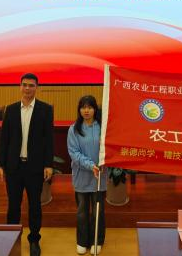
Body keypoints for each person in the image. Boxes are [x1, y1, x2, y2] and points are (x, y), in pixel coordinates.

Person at [0, 73, 54, 256]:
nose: (27, 88)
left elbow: (49, 140)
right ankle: (12, 239)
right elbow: (4, 139)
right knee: (13, 205)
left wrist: (48, 164)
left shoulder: (45, 110)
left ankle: (34, 239)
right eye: (24, 85)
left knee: (35, 205)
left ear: (37, 88)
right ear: (20, 87)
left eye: (31, 85)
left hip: (34, 167)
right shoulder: (11, 110)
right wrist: (0, 165)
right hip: (14, 167)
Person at [67, 95, 107, 255]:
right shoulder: (73, 129)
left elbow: (108, 149)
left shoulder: (103, 127)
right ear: (79, 110)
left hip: (100, 176)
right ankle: (82, 241)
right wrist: (91, 165)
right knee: (82, 211)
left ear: (95, 109)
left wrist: (102, 162)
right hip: (82, 176)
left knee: (98, 211)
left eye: (90, 107)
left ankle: (97, 240)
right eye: (83, 107)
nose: (86, 110)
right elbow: (74, 153)